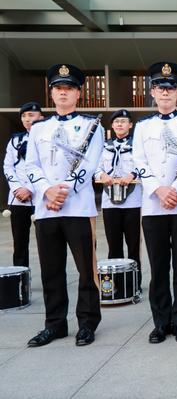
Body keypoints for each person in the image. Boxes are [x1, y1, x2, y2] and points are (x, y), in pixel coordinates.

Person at [25, 64, 104, 347]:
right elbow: (30, 164)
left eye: (68, 88)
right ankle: (55, 324)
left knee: (86, 269)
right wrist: (47, 190)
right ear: (51, 92)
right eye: (58, 88)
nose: (63, 93)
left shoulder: (92, 126)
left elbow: (90, 163)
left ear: (78, 94)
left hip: (78, 207)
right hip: (46, 208)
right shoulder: (38, 129)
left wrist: (63, 191)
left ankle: (87, 322)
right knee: (51, 270)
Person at [132, 62, 177, 344]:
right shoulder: (142, 127)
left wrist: (175, 189)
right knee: (158, 266)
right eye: (160, 88)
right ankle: (160, 322)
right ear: (152, 92)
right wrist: (158, 190)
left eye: (171, 88)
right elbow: (138, 161)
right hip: (153, 206)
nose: (165, 92)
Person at [95, 109, 142, 291]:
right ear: (112, 125)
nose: (120, 124)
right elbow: (96, 168)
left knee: (133, 245)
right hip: (109, 201)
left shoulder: (137, 146)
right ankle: (116, 284)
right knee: (114, 245)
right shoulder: (104, 147)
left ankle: (134, 283)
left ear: (130, 125)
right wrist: (102, 175)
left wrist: (132, 174)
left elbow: (143, 164)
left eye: (124, 121)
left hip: (132, 201)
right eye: (117, 122)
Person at [3, 101, 43, 267]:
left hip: (40, 197)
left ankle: (50, 281)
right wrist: (18, 188)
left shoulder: (47, 140)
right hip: (19, 198)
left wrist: (31, 188)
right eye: (24, 116)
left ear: (41, 117)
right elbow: (8, 166)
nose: (27, 119)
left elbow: (48, 168)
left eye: (31, 115)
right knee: (19, 243)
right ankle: (21, 282)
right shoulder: (15, 140)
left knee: (46, 243)